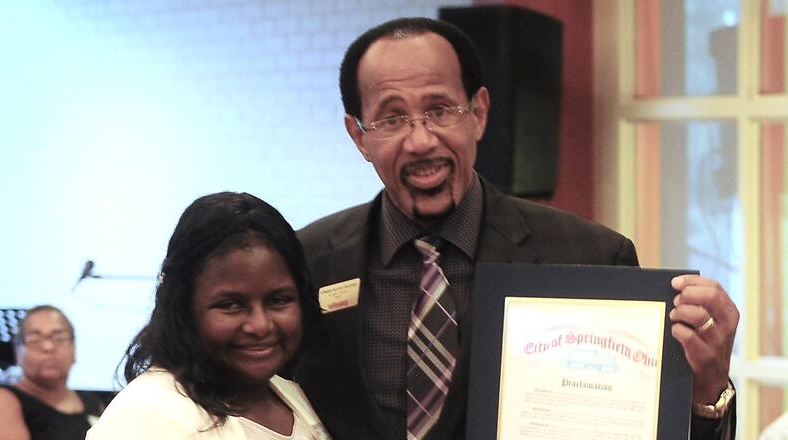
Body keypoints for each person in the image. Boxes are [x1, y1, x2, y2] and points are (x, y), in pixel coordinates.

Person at [295, 17, 740, 440]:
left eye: (440, 110)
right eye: (392, 119)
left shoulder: (590, 256)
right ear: (358, 137)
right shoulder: (308, 262)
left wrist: (708, 391)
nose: (421, 140)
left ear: (479, 113)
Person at [86, 192, 331, 439]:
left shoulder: (291, 395)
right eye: (231, 304)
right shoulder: (146, 416)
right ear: (184, 306)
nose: (260, 325)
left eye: (278, 300)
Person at [0, 305, 104, 440]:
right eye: (34, 338)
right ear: (18, 351)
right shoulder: (4, 400)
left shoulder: (92, 401)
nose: (48, 347)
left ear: (74, 348)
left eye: (60, 337)